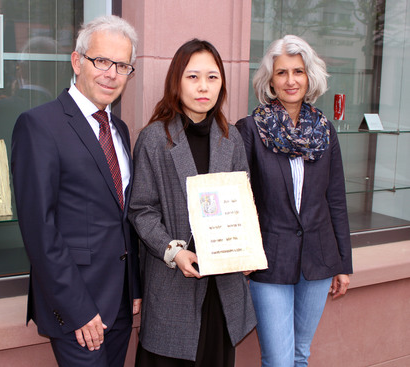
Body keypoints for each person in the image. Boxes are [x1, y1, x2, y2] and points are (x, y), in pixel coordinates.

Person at [11, 15, 141, 367]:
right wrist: (79, 310)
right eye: (101, 61)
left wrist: (135, 287)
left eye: (122, 65)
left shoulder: (120, 129)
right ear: (77, 61)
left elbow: (121, 216)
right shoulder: (39, 125)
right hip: (77, 310)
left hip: (119, 305)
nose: (111, 73)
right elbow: (39, 230)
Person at [128, 39, 256, 367]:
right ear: (177, 82)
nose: (203, 87)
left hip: (222, 289)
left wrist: (248, 249)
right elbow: (141, 209)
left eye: (212, 78)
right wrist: (173, 251)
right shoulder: (154, 138)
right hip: (174, 286)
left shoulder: (231, 138)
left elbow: (242, 203)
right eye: (193, 77)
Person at [235, 35, 353, 367]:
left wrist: (343, 264)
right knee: (279, 359)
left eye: (298, 71)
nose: (291, 80)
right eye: (282, 72)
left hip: (318, 260)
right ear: (270, 80)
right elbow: (240, 199)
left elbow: (336, 200)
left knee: (300, 354)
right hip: (269, 261)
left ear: (309, 76)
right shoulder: (249, 130)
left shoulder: (325, 131)